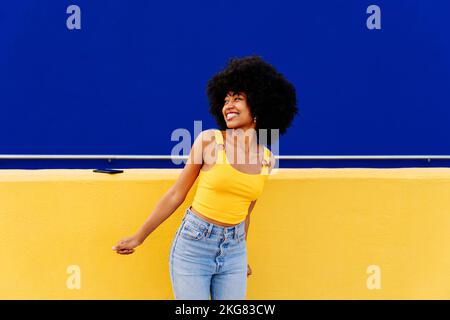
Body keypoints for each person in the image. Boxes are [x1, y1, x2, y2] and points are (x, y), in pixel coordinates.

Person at [112, 55, 298, 299]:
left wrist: (241, 255)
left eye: (238, 99)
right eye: (225, 100)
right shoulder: (210, 141)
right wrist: (139, 236)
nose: (228, 105)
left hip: (234, 251)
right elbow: (176, 193)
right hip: (194, 245)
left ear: (259, 106)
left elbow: (246, 212)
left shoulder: (266, 159)